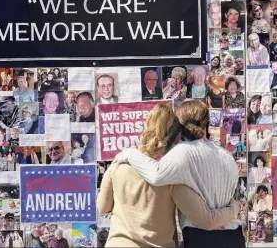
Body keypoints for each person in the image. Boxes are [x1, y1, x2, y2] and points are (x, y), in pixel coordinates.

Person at [99, 103, 240, 247]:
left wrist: (127, 154)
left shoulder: (118, 165)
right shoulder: (174, 176)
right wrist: (234, 209)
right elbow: (206, 219)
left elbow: (102, 207)